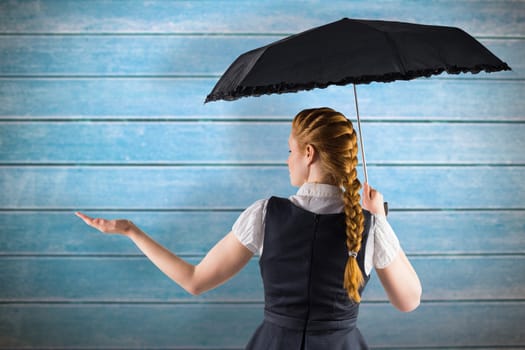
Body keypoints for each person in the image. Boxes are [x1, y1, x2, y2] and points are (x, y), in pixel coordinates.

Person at [76, 107, 421, 349]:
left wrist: (131, 230)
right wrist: (379, 219)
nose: (287, 159)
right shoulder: (370, 225)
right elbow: (408, 301)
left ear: (309, 153)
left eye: (290, 150)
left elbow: (194, 281)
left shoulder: (263, 215)